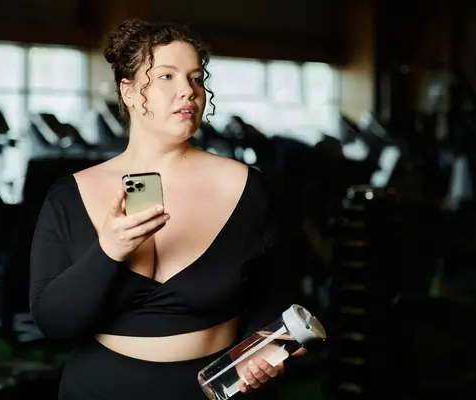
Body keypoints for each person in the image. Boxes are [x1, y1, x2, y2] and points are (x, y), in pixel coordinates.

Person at [29, 18, 305, 400]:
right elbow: (52, 321)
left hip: (215, 389)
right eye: (166, 77)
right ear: (127, 91)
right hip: (99, 387)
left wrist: (258, 349)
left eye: (195, 78)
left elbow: (278, 291)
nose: (187, 92)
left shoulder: (247, 186)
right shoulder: (68, 195)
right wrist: (109, 251)